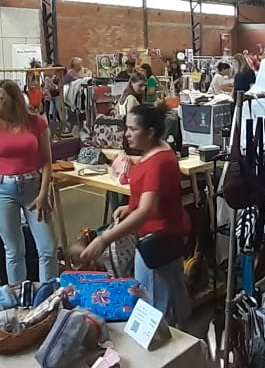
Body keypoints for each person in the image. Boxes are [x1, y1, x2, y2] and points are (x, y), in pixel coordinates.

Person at [79, 104, 192, 326]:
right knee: (173, 294)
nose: (127, 134)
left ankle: (160, 343)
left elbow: (147, 210)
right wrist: (130, 208)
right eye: (126, 128)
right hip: (167, 234)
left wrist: (104, 239)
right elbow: (153, 198)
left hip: (157, 240)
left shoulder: (157, 162)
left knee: (152, 306)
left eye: (133, 129)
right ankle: (182, 336)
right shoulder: (158, 152)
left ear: (150, 132)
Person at [0, 80, 56, 284]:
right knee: (14, 251)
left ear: (14, 99)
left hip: (33, 187)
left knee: (47, 249)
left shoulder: (36, 123)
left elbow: (47, 162)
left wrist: (44, 194)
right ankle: (19, 295)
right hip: (2, 189)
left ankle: (48, 295)